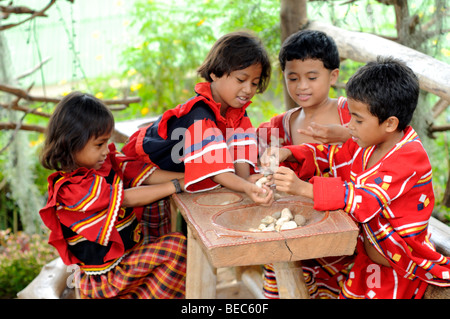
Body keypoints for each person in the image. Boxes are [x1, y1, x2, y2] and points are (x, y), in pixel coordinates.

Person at [273, 56, 450, 299]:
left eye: (357, 119)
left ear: (389, 124)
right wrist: (289, 153)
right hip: (368, 261)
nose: (349, 126)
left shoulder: (409, 158)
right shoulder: (367, 144)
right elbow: (331, 157)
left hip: (397, 268)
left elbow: (363, 199)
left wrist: (303, 188)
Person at [39, 92, 187, 299]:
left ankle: (150, 287)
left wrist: (189, 177)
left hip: (126, 258)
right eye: (99, 144)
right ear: (71, 143)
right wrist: (176, 185)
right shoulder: (71, 189)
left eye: (106, 142)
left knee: (156, 203)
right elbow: (125, 198)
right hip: (105, 280)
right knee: (176, 248)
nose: (104, 151)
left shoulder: (102, 164)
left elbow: (138, 173)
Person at [122, 31, 273, 205]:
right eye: (241, 80)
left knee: (211, 180)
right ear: (216, 73)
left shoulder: (237, 112)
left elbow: (240, 159)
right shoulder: (199, 113)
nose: (248, 89)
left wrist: (247, 181)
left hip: (182, 169)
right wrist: (245, 187)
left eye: (254, 83)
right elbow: (218, 173)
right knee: (209, 180)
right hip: (146, 166)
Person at [257, 29, 353, 299]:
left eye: (312, 77)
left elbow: (377, 145)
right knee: (291, 286)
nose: (302, 86)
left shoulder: (351, 114)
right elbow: (252, 145)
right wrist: (268, 160)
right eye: (293, 77)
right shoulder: (284, 123)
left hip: (345, 226)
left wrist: (346, 133)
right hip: (297, 227)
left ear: (333, 76)